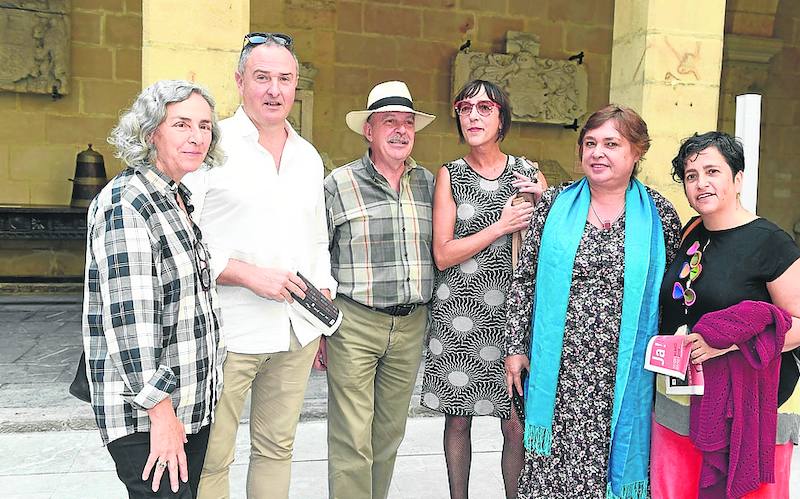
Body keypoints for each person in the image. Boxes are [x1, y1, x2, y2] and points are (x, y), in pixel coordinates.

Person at [181, 33, 336, 499]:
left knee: (277, 448)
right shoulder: (211, 145)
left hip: (295, 330)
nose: (274, 90)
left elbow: (315, 237)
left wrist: (322, 302)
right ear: (239, 81)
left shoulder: (308, 156)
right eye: (262, 77)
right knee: (213, 456)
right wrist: (248, 274)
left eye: (284, 79)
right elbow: (182, 242)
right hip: (228, 331)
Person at [504, 105, 682, 498]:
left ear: (636, 152)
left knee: (613, 462)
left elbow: (674, 294)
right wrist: (515, 348)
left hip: (625, 369)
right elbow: (525, 277)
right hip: (560, 368)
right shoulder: (553, 206)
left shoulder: (660, 216)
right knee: (555, 470)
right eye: (590, 143)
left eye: (611, 144)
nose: (597, 152)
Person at [651, 131, 800, 498]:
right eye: (691, 175)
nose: (701, 183)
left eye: (713, 171)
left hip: (752, 403)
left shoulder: (769, 242)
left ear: (738, 178)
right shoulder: (692, 233)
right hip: (679, 397)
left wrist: (725, 345)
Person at [83, 79, 225, 498]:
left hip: (188, 405)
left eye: (204, 125)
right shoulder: (128, 203)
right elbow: (131, 324)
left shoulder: (176, 197)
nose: (197, 136)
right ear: (150, 133)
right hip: (149, 415)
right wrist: (162, 416)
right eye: (181, 124)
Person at [420, 79, 546, 499]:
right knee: (458, 419)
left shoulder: (527, 174)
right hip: (459, 314)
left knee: (515, 419)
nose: (473, 115)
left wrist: (544, 201)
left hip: (513, 314)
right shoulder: (450, 175)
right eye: (466, 107)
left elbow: (550, 241)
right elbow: (443, 253)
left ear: (501, 118)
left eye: (485, 108)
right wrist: (500, 226)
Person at [324, 80, 436, 499]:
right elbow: (319, 255)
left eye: (407, 122)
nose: (400, 130)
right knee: (352, 437)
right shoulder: (338, 183)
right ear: (368, 130)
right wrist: (322, 325)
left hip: (411, 326)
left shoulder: (429, 183)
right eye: (389, 121)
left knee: (389, 435)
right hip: (355, 321)